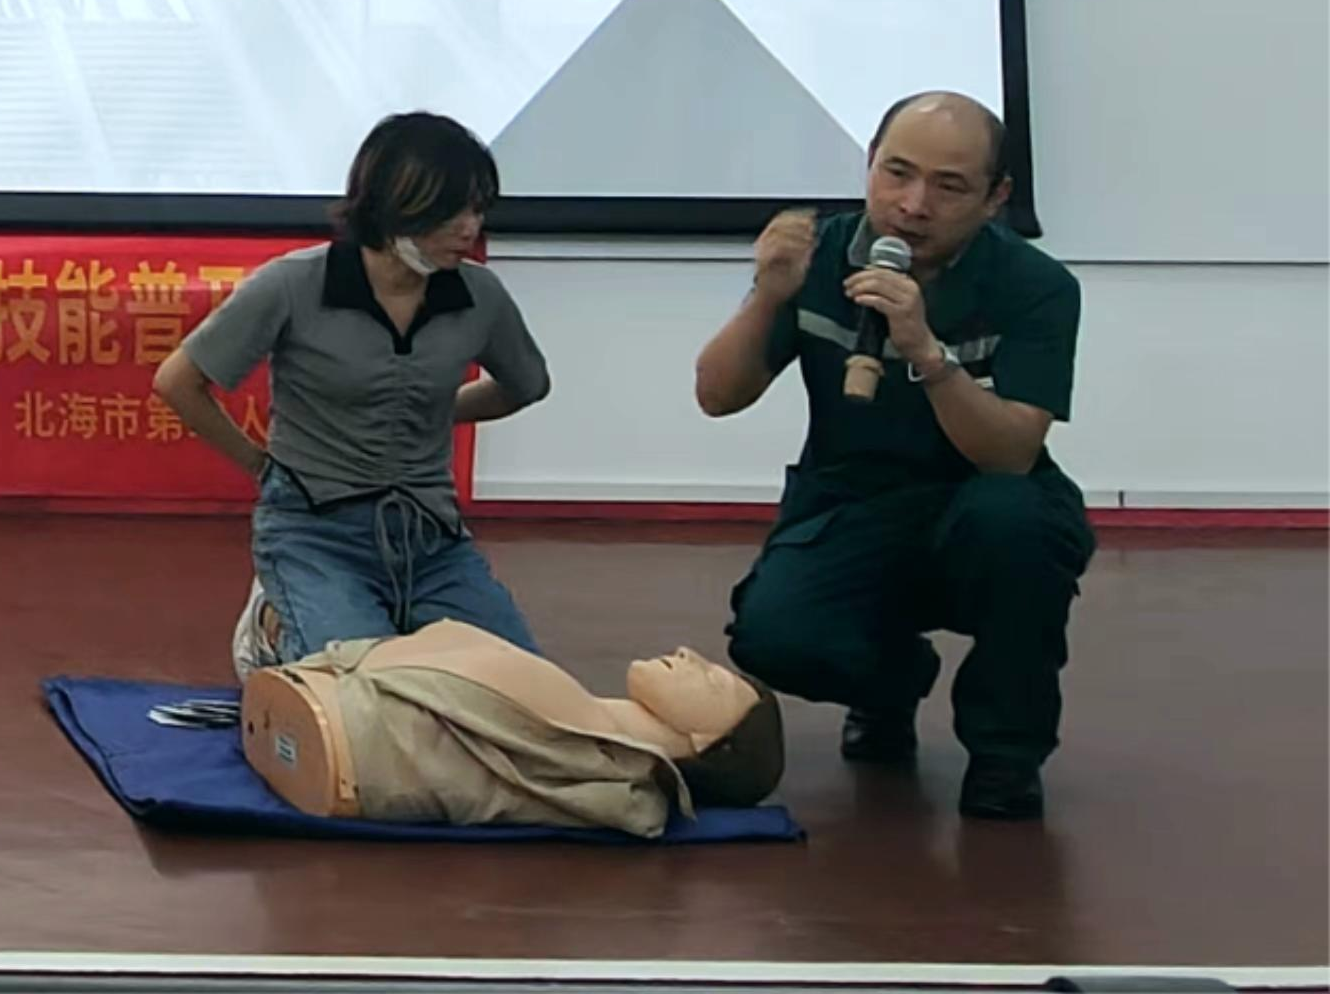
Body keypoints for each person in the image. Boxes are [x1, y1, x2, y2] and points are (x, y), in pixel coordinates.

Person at [694, 90, 1086, 820]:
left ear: (996, 197)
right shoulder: (818, 255)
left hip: (980, 499)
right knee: (771, 638)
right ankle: (890, 683)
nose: (912, 205)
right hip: (850, 498)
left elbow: (1010, 453)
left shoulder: (1037, 288)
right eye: (896, 173)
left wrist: (927, 355)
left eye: (949, 187)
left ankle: (1006, 755)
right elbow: (716, 395)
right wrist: (767, 297)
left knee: (1016, 527)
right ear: (870, 163)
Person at [153, 111, 552, 663]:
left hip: (430, 539)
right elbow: (178, 381)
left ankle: (378, 619)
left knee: (517, 685)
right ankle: (271, 627)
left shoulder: (479, 295)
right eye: (452, 211)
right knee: (365, 685)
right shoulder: (294, 283)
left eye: (478, 209)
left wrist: (431, 410)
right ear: (394, 204)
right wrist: (260, 466)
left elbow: (526, 385)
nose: (470, 228)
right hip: (314, 531)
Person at [239, 622, 785, 837]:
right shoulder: (593, 746)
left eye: (713, 680)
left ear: (708, 744)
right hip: (326, 721)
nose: (690, 654)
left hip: (337, 735)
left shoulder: (586, 743)